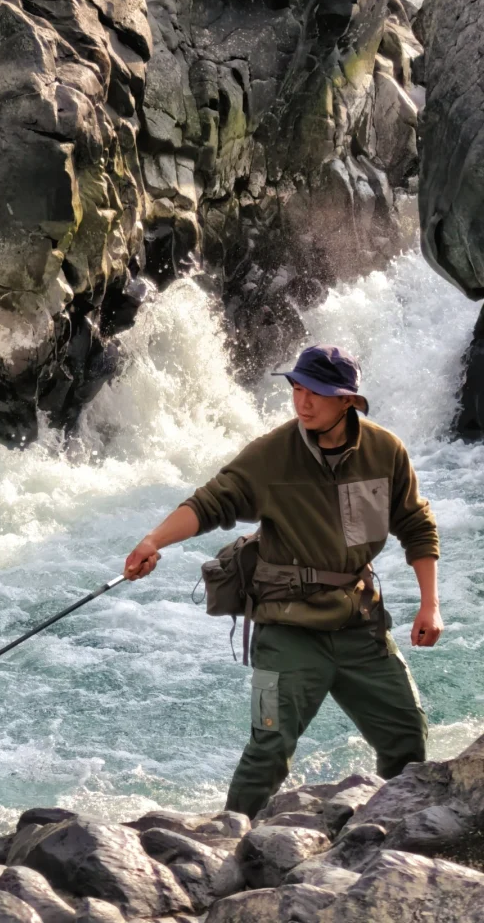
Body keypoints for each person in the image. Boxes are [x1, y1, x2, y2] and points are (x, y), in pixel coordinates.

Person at [123, 344, 442, 818]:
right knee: (269, 747)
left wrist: (429, 604)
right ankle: (229, 843)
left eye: (315, 392)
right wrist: (154, 541)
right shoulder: (272, 454)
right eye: (296, 388)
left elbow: (416, 525)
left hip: (359, 624)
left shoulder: (384, 451)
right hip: (287, 630)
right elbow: (211, 502)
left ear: (348, 401)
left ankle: (389, 833)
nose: (302, 401)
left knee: (407, 736)